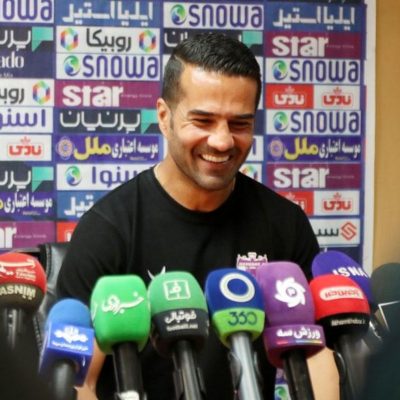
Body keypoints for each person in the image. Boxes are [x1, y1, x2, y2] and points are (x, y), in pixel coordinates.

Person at [57, 32, 328, 400]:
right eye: (203, 120)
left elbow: (317, 355)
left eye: (240, 124)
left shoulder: (284, 223)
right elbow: (81, 382)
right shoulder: (108, 229)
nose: (222, 141)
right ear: (164, 117)